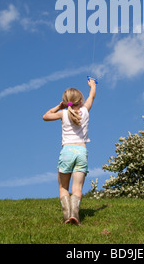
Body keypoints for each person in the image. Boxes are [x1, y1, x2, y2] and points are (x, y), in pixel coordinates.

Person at [43, 78, 96, 225]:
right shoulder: (85, 111)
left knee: (63, 187)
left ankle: (67, 216)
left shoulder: (63, 113)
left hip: (67, 151)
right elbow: (92, 97)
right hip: (81, 151)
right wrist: (92, 85)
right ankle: (75, 216)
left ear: (66, 102)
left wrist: (60, 106)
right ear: (81, 100)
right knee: (77, 188)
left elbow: (45, 116)